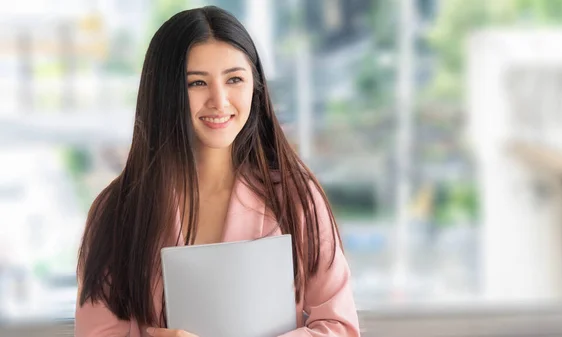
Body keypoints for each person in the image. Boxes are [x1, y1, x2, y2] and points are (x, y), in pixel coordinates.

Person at [75, 6, 360, 337]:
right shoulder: (118, 212)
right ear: (164, 94)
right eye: (197, 83)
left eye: (235, 79)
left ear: (256, 86)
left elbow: (339, 327)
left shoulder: (296, 197)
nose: (219, 101)